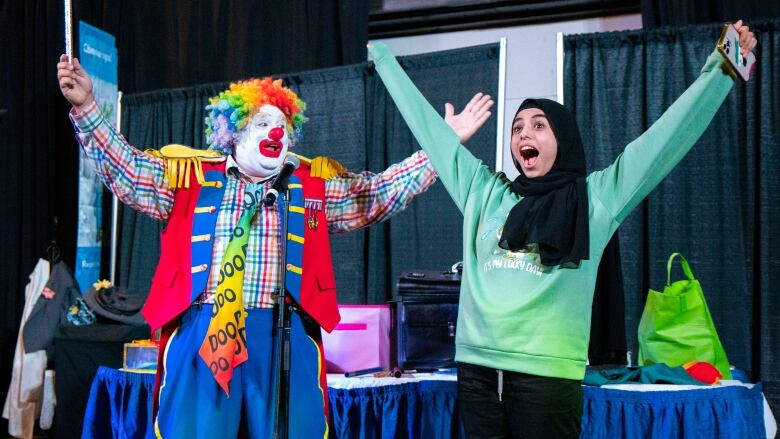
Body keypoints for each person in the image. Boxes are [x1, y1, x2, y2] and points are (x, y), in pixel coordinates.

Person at [369, 20, 756, 438]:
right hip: (478, 374)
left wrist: (719, 72)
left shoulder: (596, 199)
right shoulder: (484, 192)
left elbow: (665, 140)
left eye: (538, 125)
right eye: (517, 128)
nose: (523, 135)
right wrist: (385, 61)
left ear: (564, 137)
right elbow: (432, 134)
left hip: (547, 379)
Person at [57, 56, 437, 438]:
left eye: (282, 126)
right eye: (262, 123)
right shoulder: (189, 177)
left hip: (280, 333)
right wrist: (88, 108)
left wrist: (438, 152)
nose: (275, 133)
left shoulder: (309, 189)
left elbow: (374, 194)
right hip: (205, 327)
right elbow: (128, 170)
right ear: (233, 132)